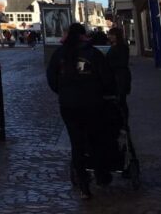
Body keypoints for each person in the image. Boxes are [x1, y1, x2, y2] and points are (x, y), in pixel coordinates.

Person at [46, 22, 117, 199]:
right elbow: (107, 78)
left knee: (77, 144)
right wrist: (105, 93)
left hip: (69, 106)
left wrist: (62, 92)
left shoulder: (59, 54)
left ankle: (83, 184)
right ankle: (101, 175)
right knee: (96, 140)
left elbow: (51, 78)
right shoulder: (93, 54)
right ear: (83, 35)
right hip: (92, 104)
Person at [105, 28, 131, 120]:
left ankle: (124, 123)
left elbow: (123, 62)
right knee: (118, 100)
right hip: (116, 76)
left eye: (112, 35)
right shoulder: (113, 46)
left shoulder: (122, 47)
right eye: (109, 34)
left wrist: (109, 65)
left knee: (121, 101)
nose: (110, 36)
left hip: (120, 77)